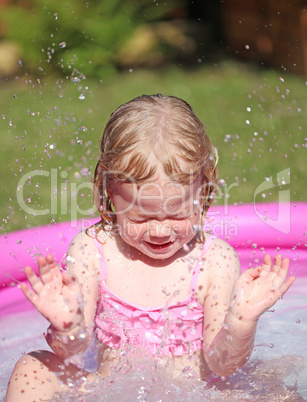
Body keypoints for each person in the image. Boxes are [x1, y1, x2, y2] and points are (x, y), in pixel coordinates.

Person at [5, 94, 295, 401]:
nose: (160, 230)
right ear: (109, 193)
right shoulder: (93, 250)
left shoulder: (214, 260)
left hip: (195, 395)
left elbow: (222, 366)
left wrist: (241, 322)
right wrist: (67, 328)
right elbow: (75, 348)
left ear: (204, 190)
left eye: (177, 214)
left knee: (277, 391)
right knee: (31, 367)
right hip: (111, 395)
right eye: (141, 217)